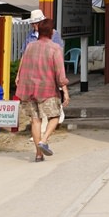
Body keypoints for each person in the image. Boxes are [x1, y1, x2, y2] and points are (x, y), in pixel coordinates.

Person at [15, 18, 70, 162]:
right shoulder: (55, 48)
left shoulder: (30, 46)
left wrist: (19, 79)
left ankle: (38, 154)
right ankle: (44, 140)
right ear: (51, 32)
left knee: (35, 120)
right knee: (55, 116)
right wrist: (65, 90)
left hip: (29, 88)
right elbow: (60, 72)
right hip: (48, 89)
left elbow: (24, 65)